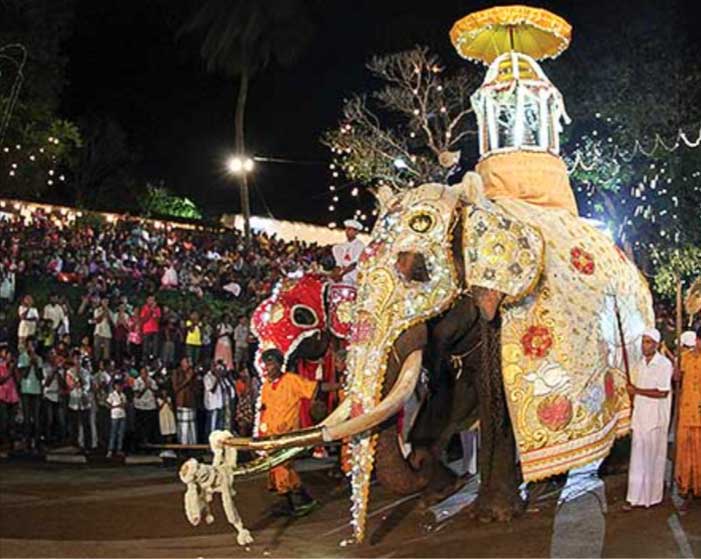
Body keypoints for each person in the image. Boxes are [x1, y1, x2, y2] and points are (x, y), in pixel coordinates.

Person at [259, 349, 338, 516]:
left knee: (282, 466)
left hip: (287, 436)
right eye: (266, 363)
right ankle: (303, 500)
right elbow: (265, 411)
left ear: (280, 365)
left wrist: (341, 386)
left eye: (271, 363)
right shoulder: (266, 386)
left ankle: (292, 503)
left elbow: (316, 389)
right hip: (270, 437)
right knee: (279, 468)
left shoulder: (291, 381)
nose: (267, 367)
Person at [624, 327, 673, 510]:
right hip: (640, 417)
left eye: (648, 342)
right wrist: (632, 393)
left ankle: (651, 498)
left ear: (657, 345)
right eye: (643, 341)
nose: (645, 345)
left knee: (653, 457)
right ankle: (634, 497)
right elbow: (634, 391)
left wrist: (637, 391)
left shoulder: (664, 364)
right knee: (637, 458)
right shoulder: (638, 364)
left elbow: (662, 392)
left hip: (655, 418)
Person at [675, 329, 701, 512]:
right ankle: (687, 489)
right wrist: (676, 375)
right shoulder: (684, 357)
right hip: (686, 412)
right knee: (686, 454)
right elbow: (677, 379)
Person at [17, 340, 43, 450]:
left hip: (36, 390)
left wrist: (36, 364)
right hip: (26, 390)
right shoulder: (22, 357)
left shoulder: (39, 358)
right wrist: (30, 364)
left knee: (36, 417)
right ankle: (27, 441)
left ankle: (36, 442)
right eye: (30, 345)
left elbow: (39, 376)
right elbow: (24, 375)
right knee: (27, 418)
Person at [172, 357, 198, 444]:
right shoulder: (177, 372)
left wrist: (193, 377)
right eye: (186, 362)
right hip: (182, 402)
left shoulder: (192, 373)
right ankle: (182, 444)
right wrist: (187, 379)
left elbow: (196, 388)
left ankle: (192, 444)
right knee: (183, 425)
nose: (188, 364)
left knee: (192, 425)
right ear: (182, 363)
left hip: (191, 402)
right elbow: (175, 388)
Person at [331, 219, 365, 285]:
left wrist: (341, 275)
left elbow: (354, 264)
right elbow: (339, 263)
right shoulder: (342, 246)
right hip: (342, 277)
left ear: (356, 232)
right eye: (346, 229)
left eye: (350, 229)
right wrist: (335, 274)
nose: (347, 231)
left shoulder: (359, 245)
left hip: (353, 278)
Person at [133, 366, 159, 447]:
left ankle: (149, 442)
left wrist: (150, 387)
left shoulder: (151, 381)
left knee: (149, 426)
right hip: (140, 407)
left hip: (150, 406)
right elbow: (137, 395)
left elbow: (156, 392)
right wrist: (145, 388)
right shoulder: (137, 381)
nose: (145, 375)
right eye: (143, 373)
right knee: (140, 426)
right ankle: (140, 443)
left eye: (146, 373)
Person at [0, 347, 19, 445]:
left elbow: (18, 380)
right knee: (4, 419)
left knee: (12, 420)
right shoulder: (1, 366)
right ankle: (4, 440)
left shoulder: (13, 367)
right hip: (3, 396)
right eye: (8, 355)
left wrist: (14, 369)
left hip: (13, 396)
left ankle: (11, 440)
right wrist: (9, 372)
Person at [203, 361, 225, 436]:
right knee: (212, 427)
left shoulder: (216, 376)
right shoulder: (207, 377)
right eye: (214, 366)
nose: (216, 368)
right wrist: (217, 379)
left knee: (218, 427)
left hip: (218, 404)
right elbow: (212, 390)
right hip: (212, 405)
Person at [106, 381, 127, 458]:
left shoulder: (123, 395)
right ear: (115, 386)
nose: (119, 387)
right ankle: (110, 449)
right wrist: (116, 406)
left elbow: (125, 404)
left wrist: (123, 405)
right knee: (113, 433)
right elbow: (108, 404)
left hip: (122, 415)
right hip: (115, 415)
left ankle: (119, 449)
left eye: (120, 386)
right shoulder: (112, 395)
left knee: (121, 433)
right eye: (118, 386)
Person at [139, 295, 161, 362]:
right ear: (147, 300)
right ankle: (145, 361)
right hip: (147, 330)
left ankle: (154, 360)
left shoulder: (157, 308)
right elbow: (143, 320)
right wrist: (150, 311)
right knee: (146, 348)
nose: (151, 302)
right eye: (150, 300)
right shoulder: (144, 308)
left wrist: (155, 312)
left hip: (155, 330)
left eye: (153, 300)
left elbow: (158, 320)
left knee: (155, 348)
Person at [93, 298, 114, 362]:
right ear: (101, 302)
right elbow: (97, 321)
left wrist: (107, 313)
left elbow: (112, 323)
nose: (106, 303)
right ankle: (96, 365)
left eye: (107, 301)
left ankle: (105, 366)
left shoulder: (110, 311)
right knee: (97, 351)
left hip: (107, 334)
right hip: (98, 333)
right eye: (104, 301)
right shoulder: (97, 310)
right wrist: (103, 313)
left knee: (106, 353)